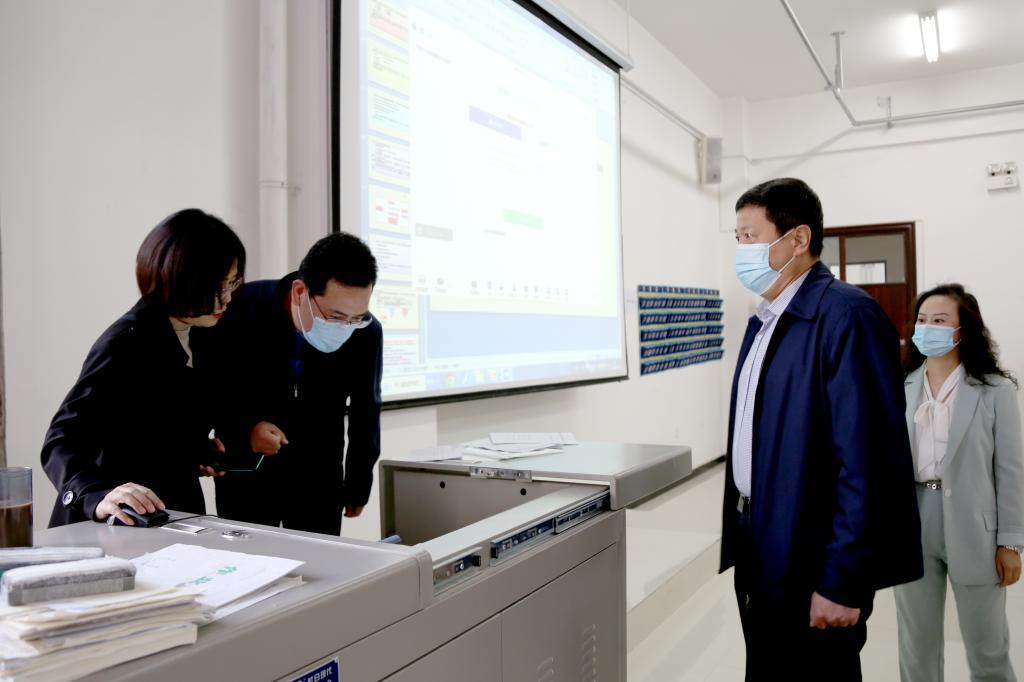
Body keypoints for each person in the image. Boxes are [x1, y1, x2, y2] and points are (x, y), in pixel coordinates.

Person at [719, 178, 923, 680]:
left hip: (812, 554)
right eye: (737, 237)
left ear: (799, 239)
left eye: (750, 236)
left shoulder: (846, 316)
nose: (741, 249)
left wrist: (844, 580)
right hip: (762, 537)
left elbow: (870, 462)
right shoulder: (766, 320)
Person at [42, 208, 246, 527]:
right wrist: (94, 494)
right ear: (180, 281)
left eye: (232, 283)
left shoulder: (205, 332)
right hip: (117, 517)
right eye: (216, 287)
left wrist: (193, 449)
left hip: (172, 511)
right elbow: (61, 439)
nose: (227, 298)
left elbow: (153, 421)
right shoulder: (126, 342)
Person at [209, 232, 383, 536]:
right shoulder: (240, 308)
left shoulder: (366, 332)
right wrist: (245, 431)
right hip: (247, 474)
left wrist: (358, 483)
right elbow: (210, 388)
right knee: (248, 558)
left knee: (319, 561)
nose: (346, 327)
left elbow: (366, 408)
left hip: (319, 476)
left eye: (356, 317)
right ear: (300, 291)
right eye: (335, 317)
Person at [895, 284, 1023, 682]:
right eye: (921, 320)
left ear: (962, 329)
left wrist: (1010, 543)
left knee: (988, 649)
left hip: (975, 527)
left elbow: (1010, 470)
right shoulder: (900, 385)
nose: (927, 327)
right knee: (916, 648)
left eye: (939, 320)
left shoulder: (995, 391)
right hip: (914, 520)